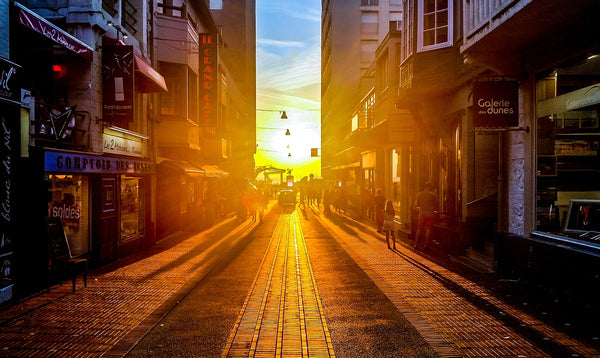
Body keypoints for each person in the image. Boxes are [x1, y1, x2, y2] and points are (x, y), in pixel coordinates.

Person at [415, 181, 438, 251]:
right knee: (428, 229)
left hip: (422, 213)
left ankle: (416, 244)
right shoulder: (433, 195)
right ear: (430, 187)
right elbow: (436, 203)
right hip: (430, 214)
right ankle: (426, 245)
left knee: (419, 228)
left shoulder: (419, 194)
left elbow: (416, 204)